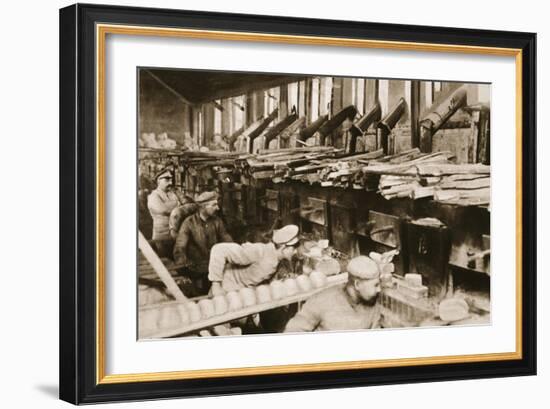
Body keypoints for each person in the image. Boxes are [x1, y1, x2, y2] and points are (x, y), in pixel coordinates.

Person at [284, 255, 384, 333]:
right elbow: (292, 333)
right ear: (357, 284)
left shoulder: (372, 302)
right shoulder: (322, 301)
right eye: (375, 285)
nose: (379, 289)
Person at [208, 224, 300, 295]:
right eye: (293, 248)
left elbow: (262, 276)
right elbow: (219, 250)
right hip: (225, 289)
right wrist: (216, 285)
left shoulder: (277, 260)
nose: (295, 252)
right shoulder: (259, 251)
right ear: (283, 247)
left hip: (242, 294)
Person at [173, 191, 233, 295]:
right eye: (214, 205)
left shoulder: (217, 221)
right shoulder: (189, 223)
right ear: (203, 207)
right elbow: (180, 247)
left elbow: (227, 240)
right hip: (196, 269)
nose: (217, 208)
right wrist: (183, 267)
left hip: (214, 266)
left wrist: (235, 253)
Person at [147, 168, 180, 258]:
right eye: (167, 179)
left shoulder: (172, 194)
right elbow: (163, 209)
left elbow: (180, 207)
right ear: (158, 180)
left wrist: (175, 206)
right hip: (161, 237)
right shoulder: (153, 196)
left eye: (171, 179)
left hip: (174, 235)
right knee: (163, 260)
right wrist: (176, 205)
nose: (170, 182)